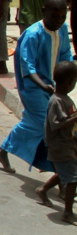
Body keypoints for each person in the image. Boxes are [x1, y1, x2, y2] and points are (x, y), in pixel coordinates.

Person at [0, 0, 72, 174]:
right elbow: (27, 68)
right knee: (44, 122)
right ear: (44, 11)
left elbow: (66, 56)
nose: (59, 20)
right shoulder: (33, 34)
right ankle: (50, 163)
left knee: (34, 122)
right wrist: (43, 86)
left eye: (62, 17)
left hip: (53, 85)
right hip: (33, 86)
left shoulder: (62, 30)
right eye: (54, 16)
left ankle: (3, 150)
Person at [36, 60, 77, 223]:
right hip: (60, 146)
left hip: (69, 143)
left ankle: (43, 189)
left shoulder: (66, 99)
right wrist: (73, 119)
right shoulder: (56, 101)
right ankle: (67, 212)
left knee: (65, 172)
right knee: (73, 178)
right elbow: (55, 124)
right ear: (70, 82)